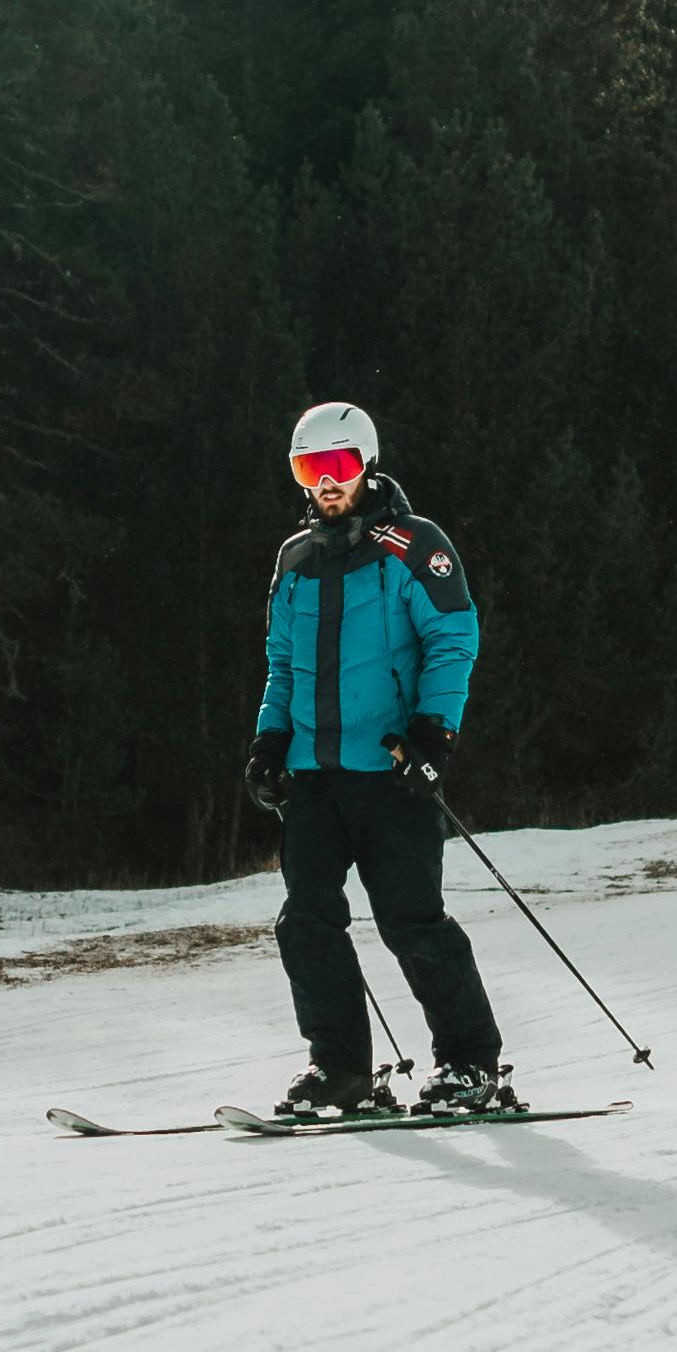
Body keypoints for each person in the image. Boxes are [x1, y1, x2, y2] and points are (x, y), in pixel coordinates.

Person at [246, 402, 514, 1123]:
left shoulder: (412, 546)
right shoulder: (294, 557)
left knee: (410, 921)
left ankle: (469, 1064)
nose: (325, 482)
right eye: (310, 469)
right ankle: (340, 1071)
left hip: (391, 771)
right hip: (312, 775)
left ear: (363, 463)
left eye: (336, 467)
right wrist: (269, 743)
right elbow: (280, 663)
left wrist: (434, 738)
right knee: (305, 922)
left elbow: (453, 640)